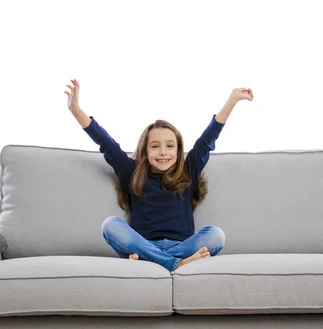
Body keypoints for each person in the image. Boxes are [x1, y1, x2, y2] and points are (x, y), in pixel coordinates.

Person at [64, 78, 254, 272]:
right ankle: (175, 264)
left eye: (170, 146)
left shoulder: (188, 171)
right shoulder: (132, 173)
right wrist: (75, 109)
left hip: (181, 247)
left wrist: (232, 100)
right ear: (145, 150)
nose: (163, 152)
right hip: (144, 245)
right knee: (110, 225)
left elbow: (207, 140)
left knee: (216, 235)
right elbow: (106, 144)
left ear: (179, 150)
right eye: (155, 146)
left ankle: (155, 262)